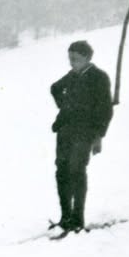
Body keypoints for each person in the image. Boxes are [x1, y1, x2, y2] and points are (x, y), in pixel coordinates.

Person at [50, 40, 113, 232]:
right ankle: (65, 217)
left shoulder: (99, 77)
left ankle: (77, 220)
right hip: (65, 130)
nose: (71, 62)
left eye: (75, 59)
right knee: (62, 172)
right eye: (70, 58)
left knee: (76, 171)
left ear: (86, 58)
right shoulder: (72, 76)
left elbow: (106, 110)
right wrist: (65, 106)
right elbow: (54, 88)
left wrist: (99, 136)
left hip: (85, 132)